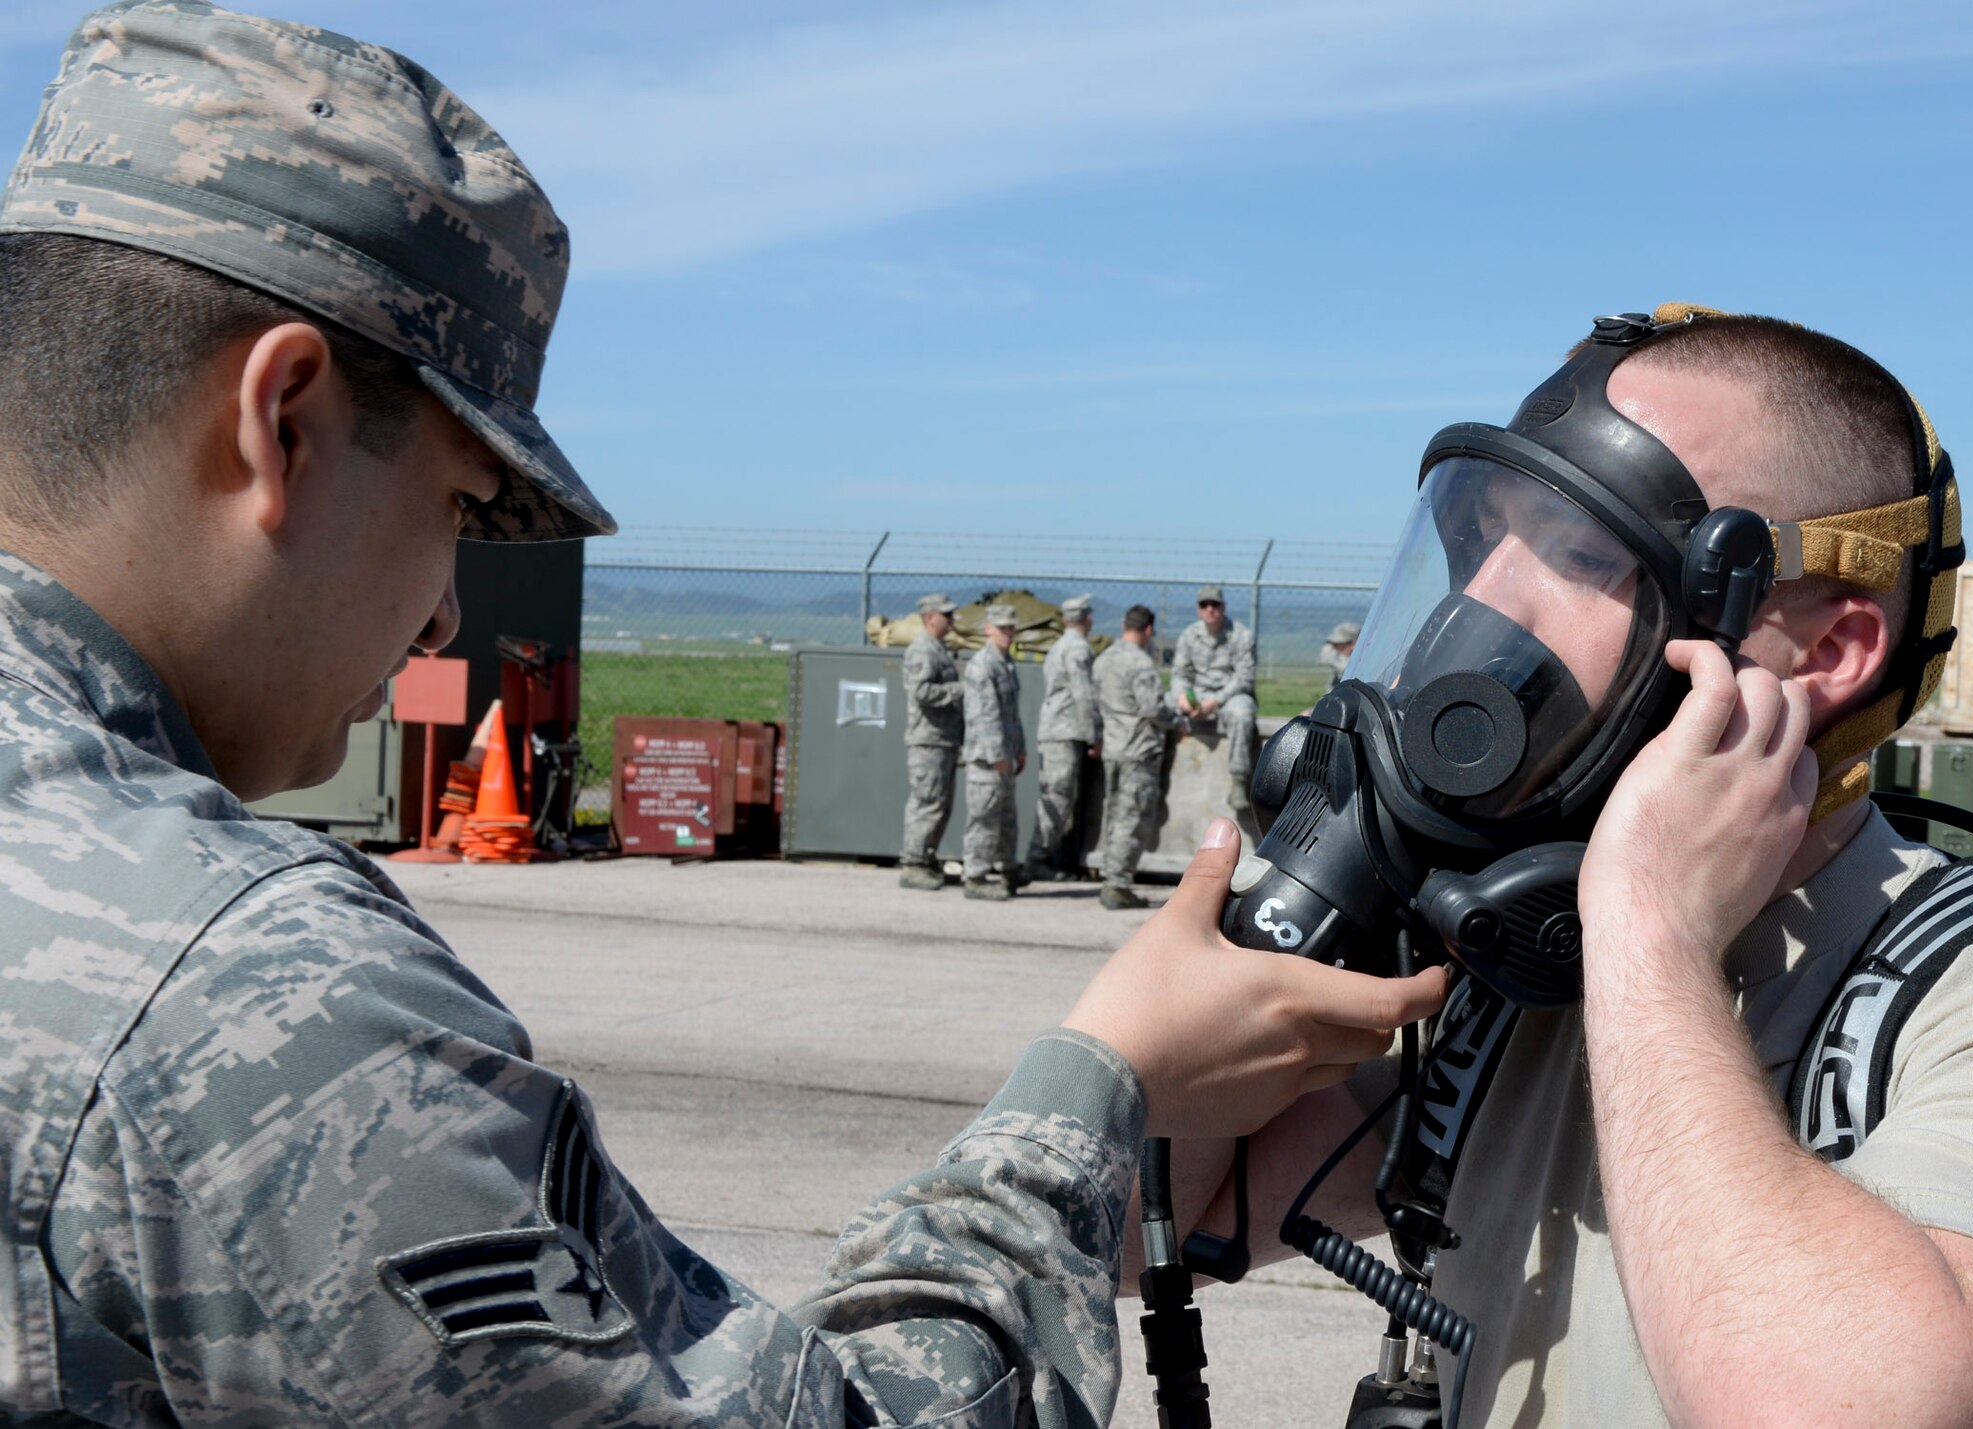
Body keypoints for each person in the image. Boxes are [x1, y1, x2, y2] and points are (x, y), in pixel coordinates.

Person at [0, 8, 1459, 1424]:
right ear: (288, 420)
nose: (446, 613)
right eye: (458, 503)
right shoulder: (237, 995)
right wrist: (1101, 1090)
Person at [1150, 309, 1973, 1429]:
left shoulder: (1958, 987)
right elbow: (1144, 1224)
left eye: (1583, 554)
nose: (1484, 605)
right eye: (1482, 539)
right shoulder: (1508, 956)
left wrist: (1651, 931)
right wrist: (1290, 920)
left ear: (1827, 654)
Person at [1094, 605, 1190, 912]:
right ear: (1148, 630)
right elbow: (1152, 709)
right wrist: (1177, 719)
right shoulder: (1140, 663)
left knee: (1114, 813)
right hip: (1138, 749)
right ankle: (1117, 884)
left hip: (1113, 746)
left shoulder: (1104, 659)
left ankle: (1110, 874)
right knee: (1132, 817)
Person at [1025, 594, 1101, 883]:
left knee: (1056, 795)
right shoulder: (1078, 649)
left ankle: (1043, 855)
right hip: (1065, 731)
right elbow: (1083, 694)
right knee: (1057, 796)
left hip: (1055, 729)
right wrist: (1093, 734)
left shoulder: (1059, 645)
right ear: (1087, 618)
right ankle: (1037, 857)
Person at [1172, 583, 1259, 810]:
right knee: (1158, 704)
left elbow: (1244, 678)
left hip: (1230, 695)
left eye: (1215, 604)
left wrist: (1215, 701)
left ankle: (1239, 779)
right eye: (1205, 605)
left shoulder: (1241, 636)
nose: (1210, 609)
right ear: (1198, 609)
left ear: (1223, 607)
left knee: (1242, 714)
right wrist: (1182, 696)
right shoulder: (1189, 636)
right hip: (1198, 694)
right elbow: (1180, 674)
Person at [961, 603, 1027, 899]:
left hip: (1005, 756)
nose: (1008, 634)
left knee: (1007, 818)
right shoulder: (982, 665)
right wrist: (998, 754)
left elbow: (1013, 714)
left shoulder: (1006, 663)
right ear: (988, 629)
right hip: (987, 760)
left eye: (1011, 628)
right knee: (984, 818)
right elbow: (983, 715)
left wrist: (1019, 749)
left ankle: (1008, 871)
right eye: (1002, 629)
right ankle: (975, 877)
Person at [899, 592, 963, 891]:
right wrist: (959, 690)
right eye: (946, 615)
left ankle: (926, 859)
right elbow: (921, 693)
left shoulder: (939, 649)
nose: (951, 620)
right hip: (928, 740)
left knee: (941, 805)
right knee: (927, 803)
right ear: (930, 618)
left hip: (944, 739)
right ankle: (913, 864)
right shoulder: (922, 651)